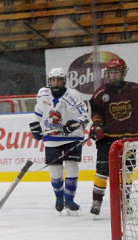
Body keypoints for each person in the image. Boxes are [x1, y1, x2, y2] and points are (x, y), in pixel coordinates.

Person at [88, 57, 138, 215]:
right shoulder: (101, 93)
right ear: (108, 74)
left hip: (128, 140)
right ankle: (97, 201)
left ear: (124, 73)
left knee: (127, 171)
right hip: (107, 139)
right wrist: (97, 126)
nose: (114, 76)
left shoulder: (134, 90)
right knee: (102, 170)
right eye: (112, 73)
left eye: (118, 73)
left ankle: (125, 201)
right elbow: (96, 113)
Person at [29, 67, 89, 214]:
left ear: (64, 81)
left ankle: (69, 199)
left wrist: (73, 124)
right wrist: (35, 126)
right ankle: (59, 197)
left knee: (71, 165)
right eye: (53, 80)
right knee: (54, 168)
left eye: (59, 80)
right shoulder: (43, 94)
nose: (56, 83)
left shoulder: (73, 95)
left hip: (72, 136)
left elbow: (85, 116)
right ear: (49, 81)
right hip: (52, 136)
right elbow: (38, 111)